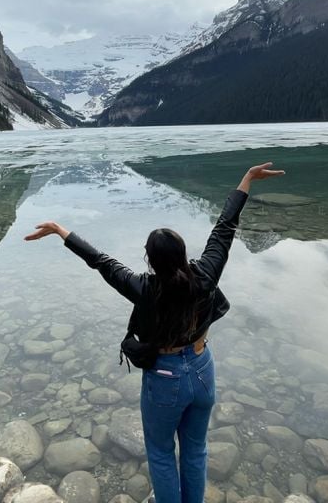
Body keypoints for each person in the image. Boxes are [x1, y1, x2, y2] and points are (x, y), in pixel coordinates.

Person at [24, 162, 284, 503]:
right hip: (204, 369)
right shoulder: (205, 275)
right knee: (196, 449)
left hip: (166, 377)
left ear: (150, 260)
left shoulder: (143, 288)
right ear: (182, 254)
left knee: (161, 454)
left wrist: (62, 231)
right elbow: (224, 228)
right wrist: (247, 179)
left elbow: (102, 261)